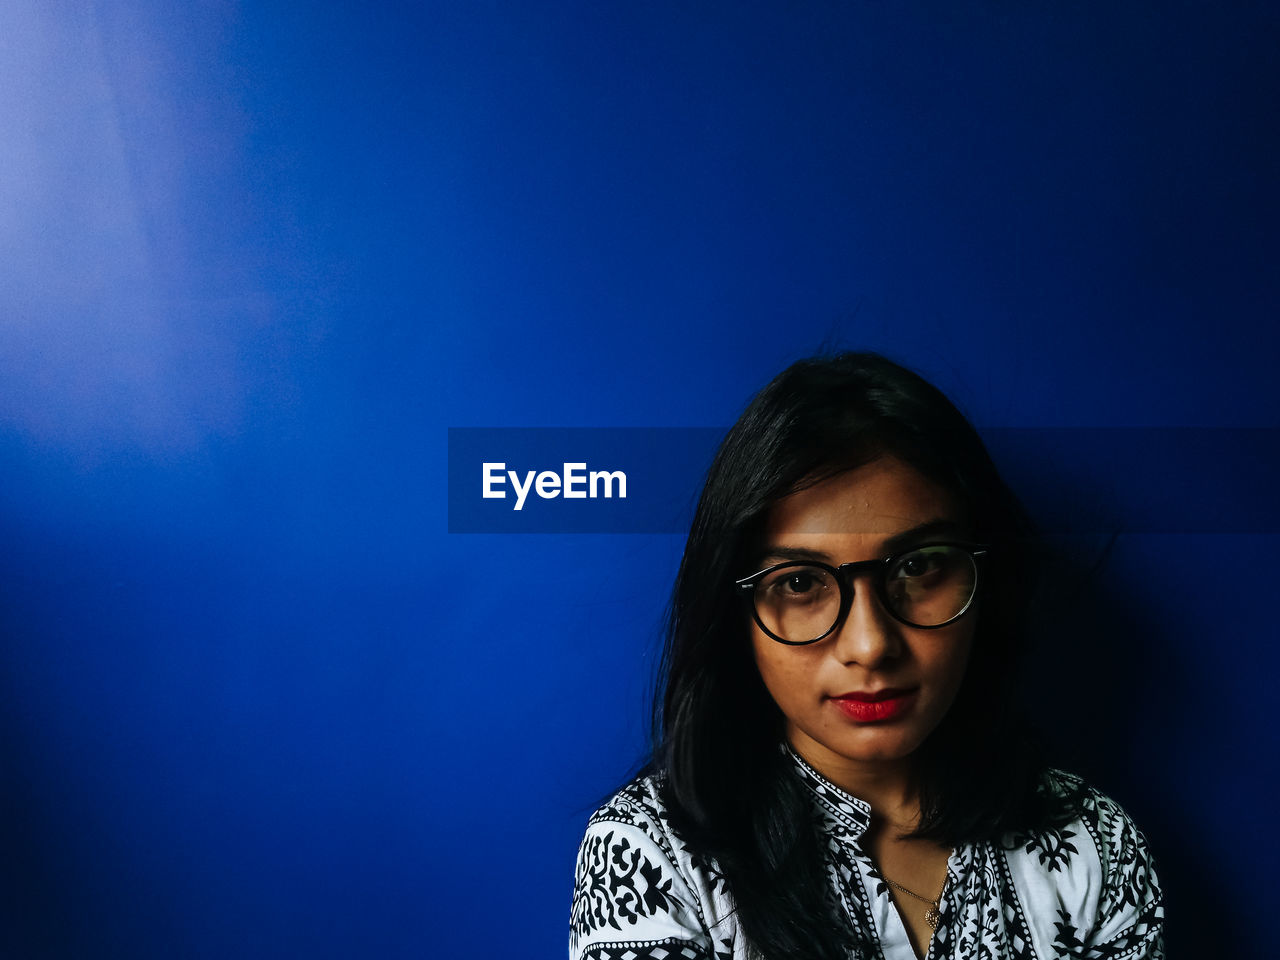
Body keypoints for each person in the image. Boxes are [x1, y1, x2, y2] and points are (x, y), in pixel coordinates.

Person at [568, 352, 1164, 960]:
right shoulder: (648, 859)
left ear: (985, 581)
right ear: (733, 612)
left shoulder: (1092, 843)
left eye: (920, 566)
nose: (870, 645)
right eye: (800, 583)